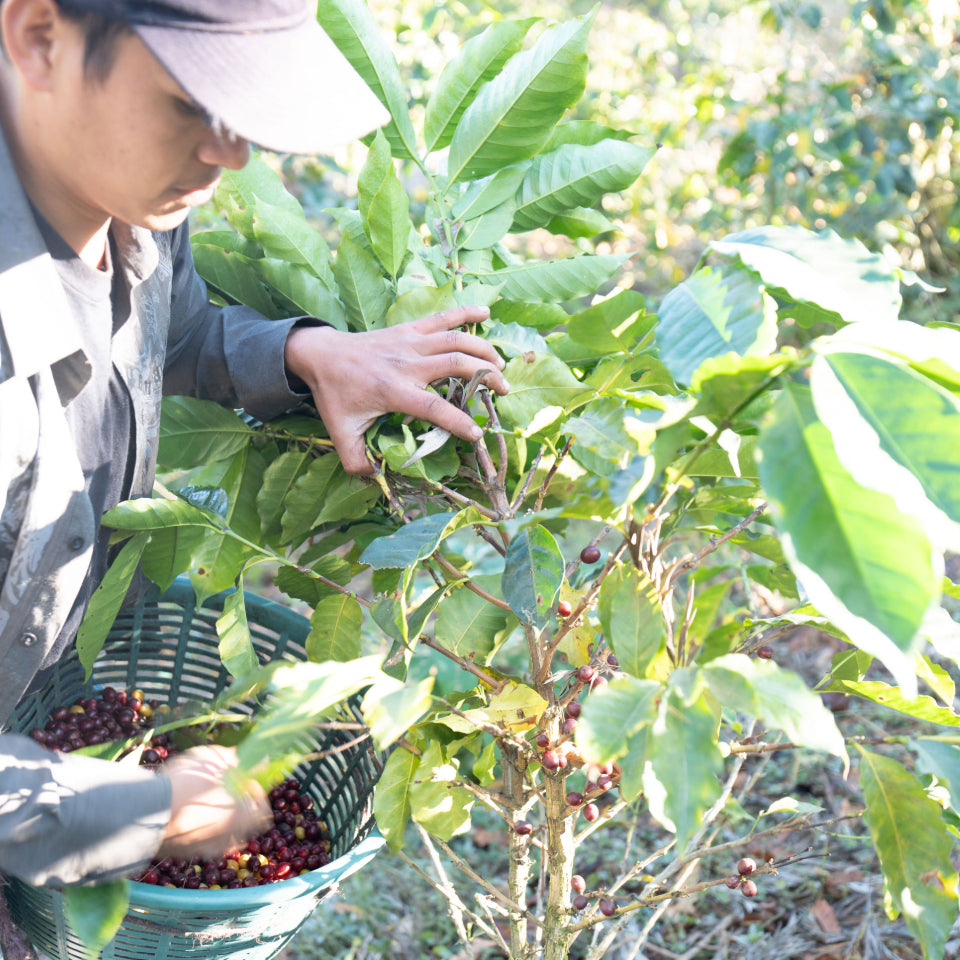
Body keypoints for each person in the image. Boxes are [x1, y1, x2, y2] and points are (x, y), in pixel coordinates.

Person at [0, 0, 508, 908]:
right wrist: (145, 810)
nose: (232, 155)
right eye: (194, 103)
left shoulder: (126, 196)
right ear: (39, 37)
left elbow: (167, 326)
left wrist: (301, 354)